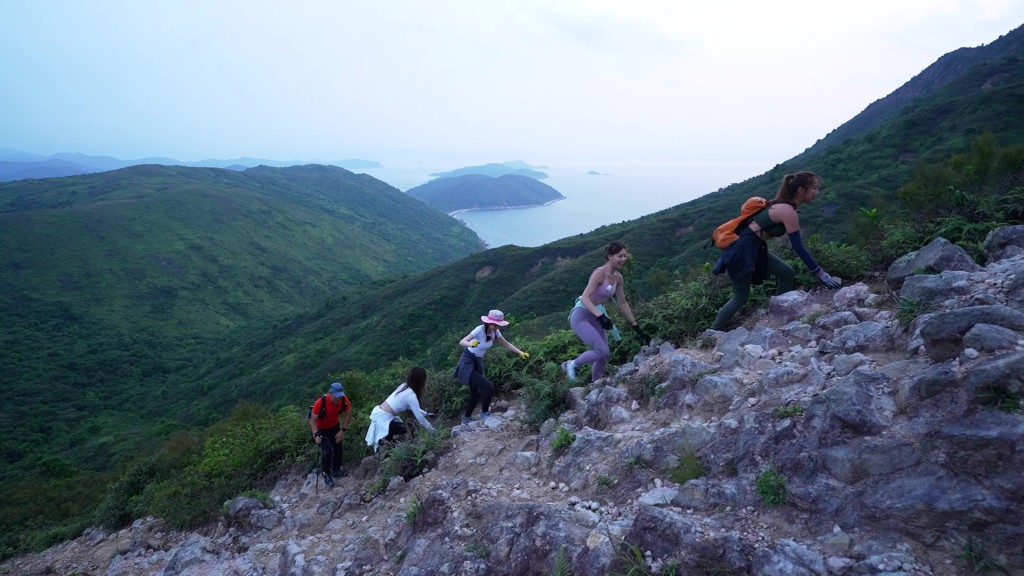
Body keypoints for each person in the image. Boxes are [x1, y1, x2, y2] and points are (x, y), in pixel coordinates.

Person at [710, 170, 842, 331]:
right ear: (801, 189)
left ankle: (777, 313)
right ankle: (712, 332)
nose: (817, 192)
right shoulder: (787, 211)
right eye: (814, 188)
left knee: (787, 273)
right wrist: (820, 273)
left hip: (753, 248)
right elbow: (798, 247)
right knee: (740, 296)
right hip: (742, 250)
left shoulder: (784, 207)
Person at [561, 241, 648, 383]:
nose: (624, 259)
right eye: (620, 256)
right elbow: (585, 297)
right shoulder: (599, 273)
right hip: (581, 315)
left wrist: (635, 325)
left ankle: (595, 384)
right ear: (609, 256)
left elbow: (622, 302)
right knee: (602, 350)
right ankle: (571, 364)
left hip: (596, 316)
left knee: (604, 355)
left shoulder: (618, 278)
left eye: (625, 256)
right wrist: (600, 316)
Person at [454, 309, 529, 424]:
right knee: (488, 387)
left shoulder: (495, 332)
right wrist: (470, 344)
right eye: (494, 324)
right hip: (467, 361)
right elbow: (462, 341)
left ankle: (467, 418)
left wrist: (520, 352)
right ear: (488, 322)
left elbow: (506, 344)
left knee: (476, 392)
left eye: (497, 324)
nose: (496, 326)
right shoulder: (479, 329)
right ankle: (485, 414)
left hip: (477, 362)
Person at [365, 366, 435, 453]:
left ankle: (389, 446)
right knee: (409, 427)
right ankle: (403, 447)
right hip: (384, 421)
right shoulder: (411, 396)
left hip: (381, 415)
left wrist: (426, 414)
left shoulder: (403, 386)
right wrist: (433, 431)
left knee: (399, 432)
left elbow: (413, 408)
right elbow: (419, 418)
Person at [309, 381, 353, 487]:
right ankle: (326, 473)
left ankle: (336, 470)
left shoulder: (343, 399)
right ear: (330, 393)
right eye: (335, 397)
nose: (337, 399)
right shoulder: (320, 402)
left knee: (338, 446)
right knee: (327, 451)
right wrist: (315, 434)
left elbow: (348, 413)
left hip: (334, 426)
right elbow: (312, 420)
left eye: (339, 396)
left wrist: (342, 430)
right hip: (321, 429)